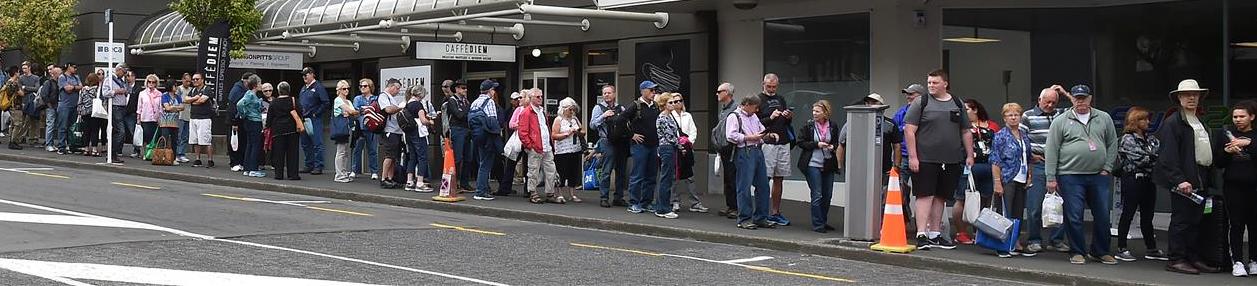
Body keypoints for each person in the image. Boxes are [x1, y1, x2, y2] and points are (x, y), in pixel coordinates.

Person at [1045, 84, 1119, 265]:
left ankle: (1100, 251)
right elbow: (1051, 149)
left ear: (1090, 98)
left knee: (1102, 214)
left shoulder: (1104, 118)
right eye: (1077, 98)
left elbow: (1112, 143)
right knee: (1074, 215)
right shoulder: (1061, 120)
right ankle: (1077, 250)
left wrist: (1108, 167)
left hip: (1098, 175)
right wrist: (1051, 177)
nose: (1080, 101)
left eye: (1083, 98)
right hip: (1070, 175)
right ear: (1072, 99)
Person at [1157, 79, 1221, 274]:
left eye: (1195, 94)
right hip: (1184, 178)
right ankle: (1176, 259)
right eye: (1186, 95)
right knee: (1181, 220)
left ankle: (1192, 257)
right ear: (1179, 98)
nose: (1191, 98)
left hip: (1200, 175)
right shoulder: (1173, 122)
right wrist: (1179, 179)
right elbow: (1168, 156)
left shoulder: (1199, 121)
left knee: (1196, 220)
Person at [904, 69, 971, 250]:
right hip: (925, 158)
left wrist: (970, 154)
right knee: (925, 195)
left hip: (950, 159)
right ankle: (921, 233)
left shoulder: (957, 103)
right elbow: (909, 130)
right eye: (929, 83)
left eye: (935, 83)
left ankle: (935, 233)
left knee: (941, 196)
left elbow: (965, 130)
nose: (931, 86)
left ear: (945, 84)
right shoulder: (921, 102)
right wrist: (913, 157)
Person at [1021, 85, 1071, 254]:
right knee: (1035, 205)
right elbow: (1021, 139)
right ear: (1039, 100)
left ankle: (1056, 240)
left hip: (1060, 165)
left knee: (1060, 204)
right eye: (1047, 102)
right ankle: (1034, 239)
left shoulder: (1061, 114)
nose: (1050, 105)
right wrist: (1029, 156)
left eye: (1054, 102)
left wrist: (1064, 94)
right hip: (1038, 164)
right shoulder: (1028, 116)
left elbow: (1080, 106)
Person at [1113, 106, 1167, 262]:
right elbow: (1140, 159)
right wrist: (1151, 158)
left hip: (1149, 180)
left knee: (1147, 216)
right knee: (1128, 214)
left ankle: (1151, 248)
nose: (1148, 122)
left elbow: (1159, 155)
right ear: (1135, 121)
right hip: (1132, 180)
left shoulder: (1150, 139)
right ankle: (1121, 247)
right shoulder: (1127, 139)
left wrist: (1151, 158)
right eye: (1144, 119)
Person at [1216, 100, 1257, 277]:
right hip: (1233, 186)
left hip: (1254, 186)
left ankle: (1254, 260)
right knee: (1237, 224)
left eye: (1242, 116)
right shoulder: (1226, 134)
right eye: (1235, 116)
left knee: (1255, 225)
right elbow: (1218, 162)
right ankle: (1238, 261)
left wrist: (1246, 144)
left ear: (1252, 116)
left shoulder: (1255, 135)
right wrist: (1227, 152)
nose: (1238, 120)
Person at [952, 98, 999, 245]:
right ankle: (961, 232)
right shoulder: (959, 126)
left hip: (989, 166)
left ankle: (981, 231)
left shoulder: (992, 125)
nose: (964, 113)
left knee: (986, 199)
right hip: (968, 166)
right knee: (962, 198)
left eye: (966, 109)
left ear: (975, 109)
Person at [990, 103, 1033, 258]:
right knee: (1004, 213)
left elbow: (1028, 158)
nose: (1014, 117)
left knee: (1018, 213)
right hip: (1007, 178)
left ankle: (1015, 242)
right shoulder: (1001, 136)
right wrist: (997, 182)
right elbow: (995, 160)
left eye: (1016, 114)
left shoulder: (1023, 134)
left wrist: (1029, 176)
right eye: (1010, 115)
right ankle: (1002, 245)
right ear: (1004, 117)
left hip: (1021, 178)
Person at [727, 95, 774, 230]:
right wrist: (750, 137)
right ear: (746, 104)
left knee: (763, 185)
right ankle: (744, 218)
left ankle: (761, 217)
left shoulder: (753, 116)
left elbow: (760, 130)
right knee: (744, 185)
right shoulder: (734, 116)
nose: (757, 110)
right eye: (755, 107)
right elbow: (731, 135)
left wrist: (767, 136)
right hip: (745, 150)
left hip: (757, 150)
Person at [755, 73, 793, 226]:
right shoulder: (758, 100)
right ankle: (761, 212)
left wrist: (787, 115)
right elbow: (755, 122)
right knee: (765, 179)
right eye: (768, 86)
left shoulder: (780, 98)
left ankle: (775, 212)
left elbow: (787, 120)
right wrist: (770, 117)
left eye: (774, 87)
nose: (771, 89)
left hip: (783, 141)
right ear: (763, 84)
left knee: (780, 177)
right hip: (767, 142)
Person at [797, 100, 840, 233]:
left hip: (828, 163)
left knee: (827, 195)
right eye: (813, 111)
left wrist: (833, 146)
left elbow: (836, 142)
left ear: (825, 112)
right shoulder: (808, 125)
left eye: (817, 111)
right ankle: (817, 224)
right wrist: (816, 145)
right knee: (817, 194)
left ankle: (823, 220)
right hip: (812, 163)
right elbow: (801, 142)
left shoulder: (832, 125)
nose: (814, 113)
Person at [518, 88, 561, 204]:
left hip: (546, 146)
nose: (540, 98)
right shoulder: (526, 112)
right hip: (536, 147)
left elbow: (544, 127)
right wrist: (530, 146)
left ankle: (550, 193)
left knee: (551, 170)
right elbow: (522, 132)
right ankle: (532, 192)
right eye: (538, 97)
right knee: (533, 171)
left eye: (541, 96)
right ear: (531, 98)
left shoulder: (541, 111)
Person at [625, 81, 661, 214]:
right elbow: (620, 120)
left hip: (653, 145)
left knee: (651, 176)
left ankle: (646, 202)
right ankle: (633, 202)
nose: (654, 93)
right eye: (651, 90)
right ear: (643, 91)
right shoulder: (635, 105)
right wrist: (631, 135)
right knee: (638, 175)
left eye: (654, 90)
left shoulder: (655, 106)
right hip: (640, 146)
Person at [591, 85, 628, 208]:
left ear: (614, 94)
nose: (606, 95)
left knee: (621, 170)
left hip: (620, 142)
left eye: (609, 93)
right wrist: (603, 116)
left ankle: (618, 197)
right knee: (607, 170)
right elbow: (592, 125)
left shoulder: (620, 108)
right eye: (604, 93)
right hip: (606, 141)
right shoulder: (598, 108)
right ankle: (604, 197)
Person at [669, 93, 706, 213]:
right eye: (674, 101)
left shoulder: (687, 116)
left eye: (679, 100)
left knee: (690, 176)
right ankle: (675, 201)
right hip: (675, 149)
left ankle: (695, 203)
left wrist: (689, 142)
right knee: (675, 176)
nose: (676, 103)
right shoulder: (669, 116)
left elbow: (693, 130)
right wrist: (679, 143)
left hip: (687, 149)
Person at [470, 80, 503, 200]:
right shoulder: (489, 102)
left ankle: (483, 188)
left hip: (477, 136)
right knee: (486, 164)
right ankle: (480, 191)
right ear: (490, 91)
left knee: (481, 163)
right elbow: (493, 120)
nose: (494, 92)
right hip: (487, 137)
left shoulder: (474, 102)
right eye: (493, 89)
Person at [268, 82, 303, 180]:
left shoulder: (274, 102)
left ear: (278, 91)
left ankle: (278, 174)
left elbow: (270, 117)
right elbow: (300, 111)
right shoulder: (293, 100)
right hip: (292, 129)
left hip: (278, 130)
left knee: (278, 153)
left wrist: (268, 126)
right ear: (289, 90)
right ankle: (293, 174)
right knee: (292, 153)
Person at [714, 83, 739, 219]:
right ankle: (730, 205)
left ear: (727, 93)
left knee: (734, 177)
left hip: (733, 148)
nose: (717, 94)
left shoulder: (735, 109)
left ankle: (736, 206)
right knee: (727, 178)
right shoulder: (723, 109)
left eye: (719, 91)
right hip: (724, 148)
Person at [552, 97, 585, 203]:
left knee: (573, 171)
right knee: (562, 171)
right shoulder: (558, 119)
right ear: (564, 109)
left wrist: (578, 132)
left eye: (573, 109)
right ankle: (559, 193)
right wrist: (567, 133)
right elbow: (554, 135)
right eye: (570, 109)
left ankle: (572, 194)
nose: (572, 111)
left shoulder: (575, 119)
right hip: (562, 150)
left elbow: (583, 131)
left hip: (574, 148)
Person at [443, 80, 473, 192]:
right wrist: (468, 111)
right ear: (456, 89)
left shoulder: (466, 101)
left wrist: (466, 112)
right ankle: (454, 182)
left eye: (465, 88)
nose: (464, 90)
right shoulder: (452, 101)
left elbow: (465, 114)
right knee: (458, 157)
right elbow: (459, 115)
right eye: (462, 88)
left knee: (468, 158)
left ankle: (465, 183)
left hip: (466, 130)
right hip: (457, 129)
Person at [402, 85, 433, 191]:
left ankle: (409, 181)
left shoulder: (407, 104)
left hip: (408, 134)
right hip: (418, 133)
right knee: (422, 157)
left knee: (412, 157)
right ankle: (420, 182)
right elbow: (423, 120)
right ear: (420, 94)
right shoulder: (418, 105)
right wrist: (430, 122)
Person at [298, 67, 328, 175]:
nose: (304, 76)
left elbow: (326, 103)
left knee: (317, 143)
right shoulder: (303, 88)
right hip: (304, 119)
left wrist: (316, 113)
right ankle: (309, 164)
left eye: (306, 74)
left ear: (312, 74)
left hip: (314, 119)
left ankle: (318, 166)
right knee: (305, 143)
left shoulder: (318, 87)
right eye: (303, 75)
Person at [184, 73, 215, 168]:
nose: (195, 81)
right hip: (193, 117)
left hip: (204, 118)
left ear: (202, 80)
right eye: (193, 79)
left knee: (206, 140)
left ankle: (210, 160)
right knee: (195, 140)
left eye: (197, 79)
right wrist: (195, 98)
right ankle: (197, 159)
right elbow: (186, 99)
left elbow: (202, 100)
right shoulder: (193, 90)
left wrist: (192, 101)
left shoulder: (207, 89)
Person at [237, 75, 265, 178]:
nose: (261, 85)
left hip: (250, 121)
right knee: (255, 145)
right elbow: (240, 104)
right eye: (260, 83)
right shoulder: (251, 95)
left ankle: (247, 168)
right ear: (255, 85)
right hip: (254, 121)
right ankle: (253, 169)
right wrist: (243, 114)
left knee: (250, 144)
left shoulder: (250, 94)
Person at [352, 79, 380, 180]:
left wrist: (365, 109)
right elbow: (356, 111)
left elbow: (377, 110)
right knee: (357, 150)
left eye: (365, 86)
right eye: (361, 86)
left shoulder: (376, 98)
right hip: (360, 127)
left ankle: (374, 171)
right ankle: (354, 170)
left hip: (372, 127)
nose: (362, 88)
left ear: (370, 87)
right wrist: (366, 109)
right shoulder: (357, 98)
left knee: (372, 150)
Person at [332, 80, 359, 183]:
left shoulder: (349, 101)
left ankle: (344, 172)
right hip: (341, 128)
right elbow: (352, 111)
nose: (346, 90)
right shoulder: (338, 100)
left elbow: (353, 113)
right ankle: (339, 175)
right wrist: (353, 112)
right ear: (339, 90)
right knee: (341, 151)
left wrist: (351, 113)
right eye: (344, 88)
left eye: (348, 88)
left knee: (346, 152)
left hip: (349, 128)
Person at [227, 72, 255, 171]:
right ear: (245, 80)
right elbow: (233, 107)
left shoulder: (244, 89)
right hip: (236, 120)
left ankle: (241, 161)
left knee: (242, 141)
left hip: (242, 120)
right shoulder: (237, 90)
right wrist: (234, 122)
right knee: (235, 142)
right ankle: (234, 162)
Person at [55, 63, 82, 154]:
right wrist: (75, 88)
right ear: (68, 67)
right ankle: (61, 146)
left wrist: (73, 87)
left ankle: (71, 145)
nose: (75, 69)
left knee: (72, 127)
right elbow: (67, 89)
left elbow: (81, 87)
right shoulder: (62, 77)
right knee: (63, 126)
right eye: (74, 67)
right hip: (64, 105)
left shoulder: (76, 77)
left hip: (74, 105)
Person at [135, 75, 163, 161]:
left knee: (154, 137)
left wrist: (160, 118)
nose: (151, 84)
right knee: (146, 137)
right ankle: (145, 153)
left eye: (153, 82)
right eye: (149, 82)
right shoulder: (142, 94)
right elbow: (139, 107)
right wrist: (138, 119)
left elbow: (161, 107)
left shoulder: (159, 94)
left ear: (156, 83)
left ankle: (153, 154)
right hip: (145, 117)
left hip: (155, 118)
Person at [76, 73, 104, 157]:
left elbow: (79, 101)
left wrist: (79, 111)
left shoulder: (83, 90)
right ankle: (94, 149)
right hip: (95, 112)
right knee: (95, 130)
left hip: (85, 112)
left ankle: (86, 148)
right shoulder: (97, 89)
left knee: (86, 131)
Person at [159, 79, 184, 164]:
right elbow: (167, 108)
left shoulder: (178, 96)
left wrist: (172, 107)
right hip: (165, 122)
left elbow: (182, 107)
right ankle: (161, 156)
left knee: (175, 140)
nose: (176, 87)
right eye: (175, 85)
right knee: (164, 139)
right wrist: (176, 107)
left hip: (175, 122)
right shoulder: (164, 95)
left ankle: (173, 158)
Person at [42, 65, 62, 152]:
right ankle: (49, 144)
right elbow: (44, 95)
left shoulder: (60, 82)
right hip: (51, 106)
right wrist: (49, 105)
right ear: (55, 74)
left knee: (55, 126)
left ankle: (52, 143)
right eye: (60, 73)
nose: (61, 75)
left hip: (57, 106)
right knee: (50, 125)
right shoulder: (48, 83)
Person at [175, 73, 193, 163]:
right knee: (179, 135)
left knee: (185, 136)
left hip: (189, 115)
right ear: (182, 80)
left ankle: (182, 153)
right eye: (186, 81)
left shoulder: (191, 89)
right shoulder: (179, 89)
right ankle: (177, 153)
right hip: (180, 115)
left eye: (190, 81)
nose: (188, 83)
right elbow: (177, 100)